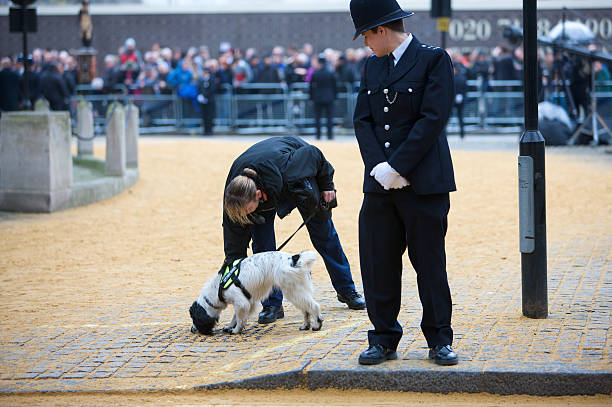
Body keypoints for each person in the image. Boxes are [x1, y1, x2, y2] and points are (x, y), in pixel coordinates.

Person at [349, 0, 458, 366]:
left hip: (423, 181)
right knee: (377, 262)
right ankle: (382, 338)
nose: (364, 43)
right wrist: (379, 166)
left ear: (381, 30)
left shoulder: (433, 59)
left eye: (365, 34)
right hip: (379, 183)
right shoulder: (372, 65)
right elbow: (363, 120)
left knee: (429, 264)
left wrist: (398, 165)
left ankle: (439, 339)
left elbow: (432, 118)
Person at [222, 136, 365, 325]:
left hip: (296, 180)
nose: (245, 216)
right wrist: (231, 272)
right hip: (268, 182)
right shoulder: (235, 197)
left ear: (257, 195)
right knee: (263, 249)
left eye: (248, 211)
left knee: (325, 236)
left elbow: (314, 154)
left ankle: (346, 290)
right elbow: (234, 242)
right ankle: (272, 305)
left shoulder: (291, 167)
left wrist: (327, 186)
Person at [309, 54, 337, 140]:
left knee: (318, 118)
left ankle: (318, 135)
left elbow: (311, 87)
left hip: (318, 98)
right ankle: (330, 135)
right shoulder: (330, 73)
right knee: (329, 118)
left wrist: (311, 98)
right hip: (329, 98)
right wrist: (335, 97)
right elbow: (335, 86)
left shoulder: (315, 74)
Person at [197, 67, 217, 135]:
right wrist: (200, 96)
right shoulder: (201, 80)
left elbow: (212, 89)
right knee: (204, 116)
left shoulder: (211, 79)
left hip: (210, 100)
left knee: (210, 116)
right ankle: (205, 131)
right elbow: (199, 88)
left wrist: (206, 96)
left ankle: (210, 131)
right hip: (203, 101)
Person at [453, 64, 468, 139]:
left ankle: (445, 133)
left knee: (447, 117)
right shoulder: (463, 78)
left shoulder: (452, 78)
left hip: (452, 100)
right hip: (461, 99)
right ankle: (462, 134)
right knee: (461, 117)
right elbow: (465, 90)